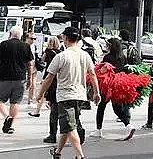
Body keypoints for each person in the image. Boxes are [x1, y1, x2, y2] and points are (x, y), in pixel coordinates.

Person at [36, 26, 100, 159]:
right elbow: (92, 74)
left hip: (65, 96)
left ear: (65, 38)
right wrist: (96, 92)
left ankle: (80, 155)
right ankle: (58, 152)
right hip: (80, 96)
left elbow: (49, 77)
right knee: (68, 125)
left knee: (70, 127)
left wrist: (40, 93)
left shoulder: (61, 56)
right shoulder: (85, 55)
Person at [90, 38, 136, 140]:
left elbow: (102, 71)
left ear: (111, 46)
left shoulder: (108, 57)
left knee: (101, 106)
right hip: (119, 84)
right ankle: (129, 125)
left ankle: (98, 130)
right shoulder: (122, 57)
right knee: (117, 108)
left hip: (108, 85)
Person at [0, 26, 34, 134]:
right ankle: (10, 126)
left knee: (0, 100)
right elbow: (29, 64)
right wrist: (30, 79)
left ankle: (7, 117)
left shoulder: (3, 44)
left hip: (4, 77)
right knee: (15, 102)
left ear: (10, 34)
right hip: (20, 78)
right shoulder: (26, 46)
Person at [34, 37, 61, 142]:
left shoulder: (48, 52)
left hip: (51, 78)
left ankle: (52, 134)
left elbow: (42, 61)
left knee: (54, 111)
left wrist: (40, 94)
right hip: (59, 81)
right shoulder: (61, 52)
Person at [25, 32, 39, 107]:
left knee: (33, 85)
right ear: (27, 38)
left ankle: (30, 100)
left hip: (33, 67)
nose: (33, 40)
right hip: (25, 68)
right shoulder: (24, 46)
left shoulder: (34, 46)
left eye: (35, 39)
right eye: (31, 38)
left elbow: (36, 56)